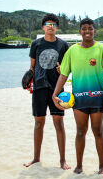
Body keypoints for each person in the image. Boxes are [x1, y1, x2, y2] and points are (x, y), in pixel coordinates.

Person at [52, 18, 103, 174]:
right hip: (79, 98)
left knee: (98, 131)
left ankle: (102, 165)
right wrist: (55, 94)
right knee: (80, 131)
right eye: (84, 29)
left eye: (90, 28)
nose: (87, 31)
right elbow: (63, 74)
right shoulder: (72, 51)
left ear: (94, 31)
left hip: (98, 97)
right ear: (80, 31)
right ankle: (79, 165)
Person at [24, 13, 70, 170]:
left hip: (56, 88)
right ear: (43, 27)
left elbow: (66, 69)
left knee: (59, 122)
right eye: (48, 24)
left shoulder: (63, 45)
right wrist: (30, 83)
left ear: (57, 27)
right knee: (38, 122)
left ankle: (63, 160)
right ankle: (36, 158)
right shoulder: (36, 44)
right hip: (39, 87)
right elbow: (32, 67)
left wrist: (61, 69)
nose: (51, 26)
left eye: (54, 24)